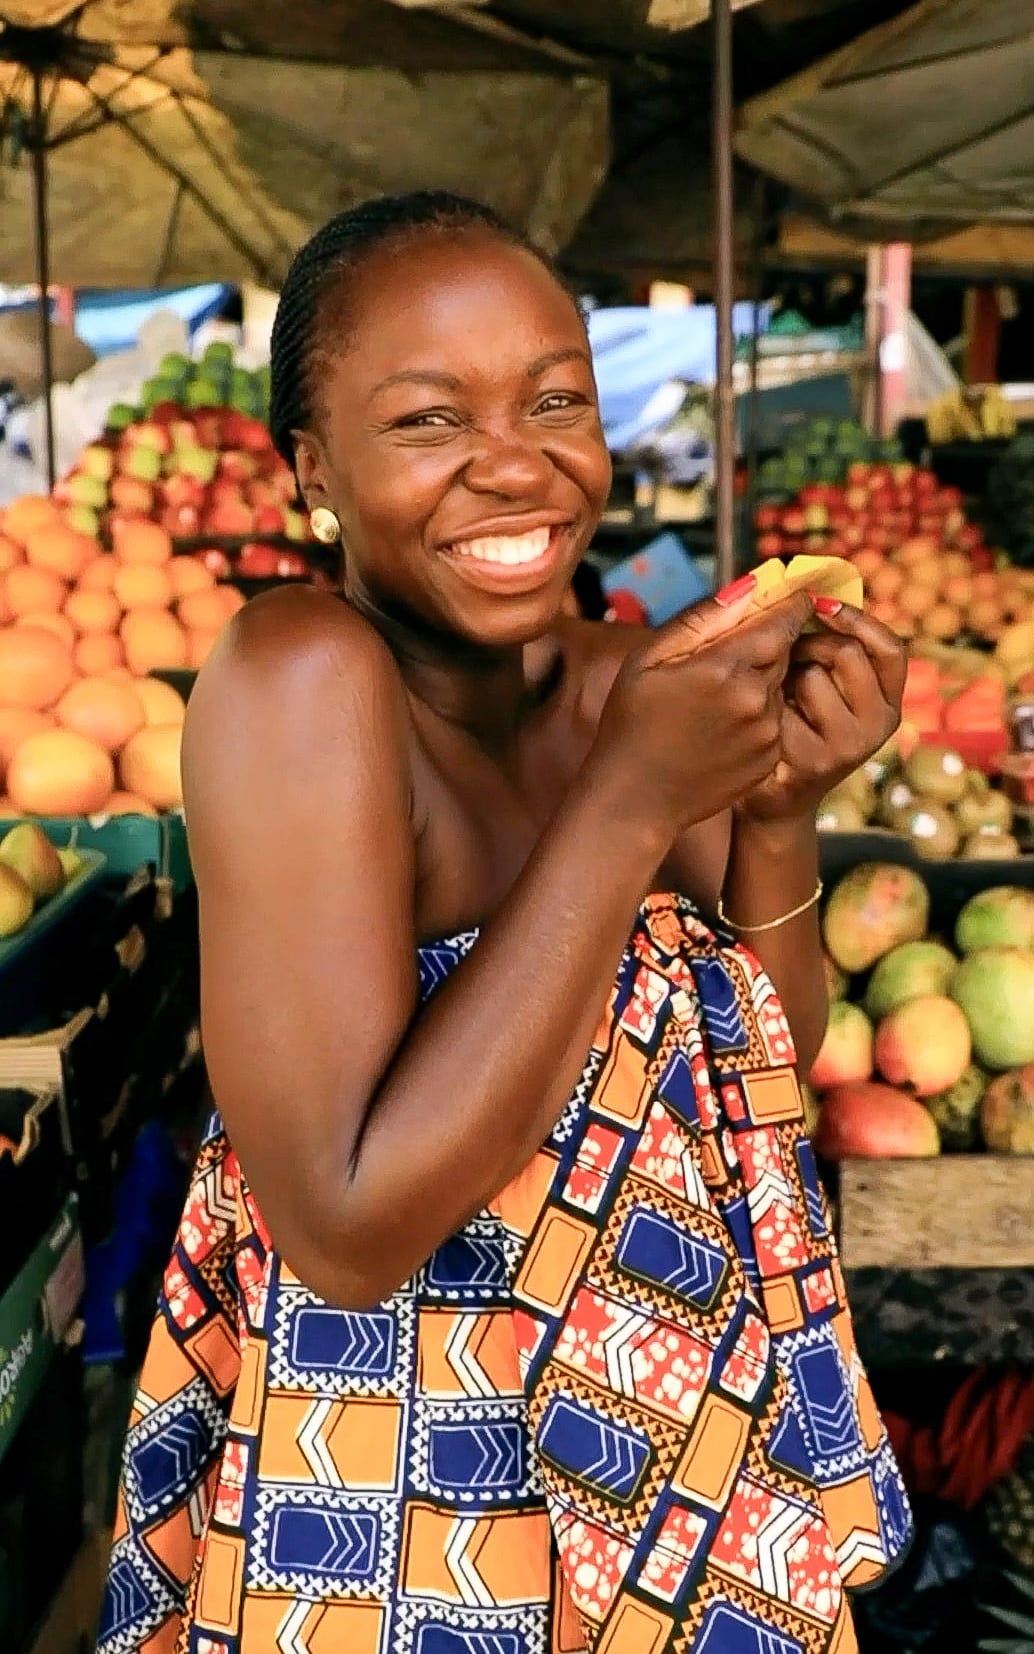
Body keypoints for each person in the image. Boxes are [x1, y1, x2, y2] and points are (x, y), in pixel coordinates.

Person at [99, 193, 912, 1654]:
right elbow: (346, 1225)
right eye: (428, 422)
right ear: (312, 470)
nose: (515, 464)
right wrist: (623, 809)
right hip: (406, 1488)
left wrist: (782, 808)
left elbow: (757, 1096)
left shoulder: (629, 686)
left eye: (556, 401)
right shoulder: (302, 677)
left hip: (663, 1466)